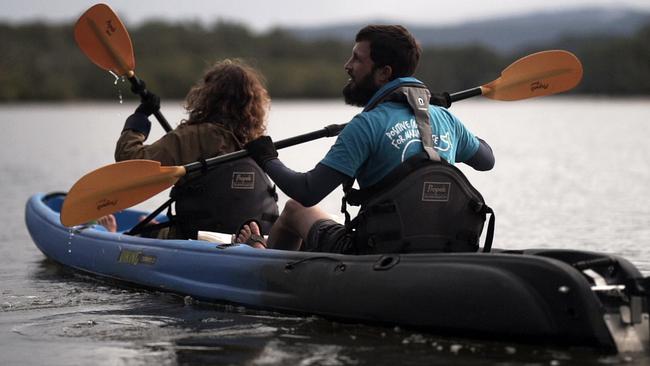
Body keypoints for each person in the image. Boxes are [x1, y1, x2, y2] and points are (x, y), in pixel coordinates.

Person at [237, 25, 495, 254]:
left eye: (357, 59)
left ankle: (264, 260)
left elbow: (307, 191)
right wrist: (438, 114)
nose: (347, 65)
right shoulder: (446, 120)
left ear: (384, 73)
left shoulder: (366, 125)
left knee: (295, 209)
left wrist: (267, 158)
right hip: (444, 246)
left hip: (375, 249)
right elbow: (486, 159)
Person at [115, 59, 279, 242]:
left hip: (196, 239)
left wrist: (139, 118)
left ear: (207, 96)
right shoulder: (258, 143)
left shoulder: (192, 137)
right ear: (253, 103)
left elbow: (129, 160)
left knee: (145, 228)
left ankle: (153, 232)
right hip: (254, 237)